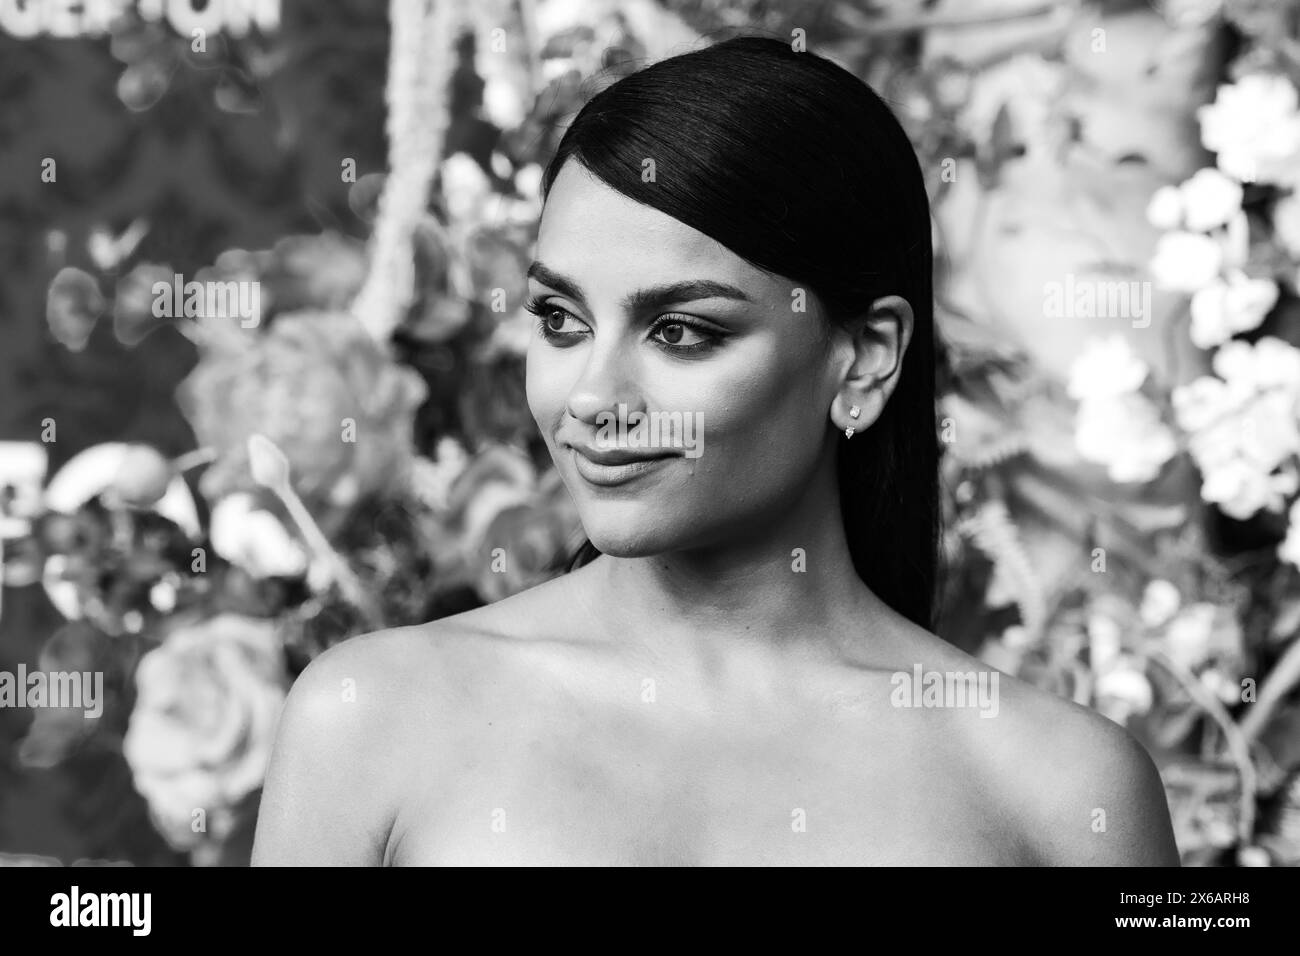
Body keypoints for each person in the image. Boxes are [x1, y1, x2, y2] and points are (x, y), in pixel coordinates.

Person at [251, 35, 1180, 866]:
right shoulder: (369, 718)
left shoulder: (1064, 791)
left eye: (683, 333)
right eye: (559, 320)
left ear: (864, 358)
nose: (595, 400)